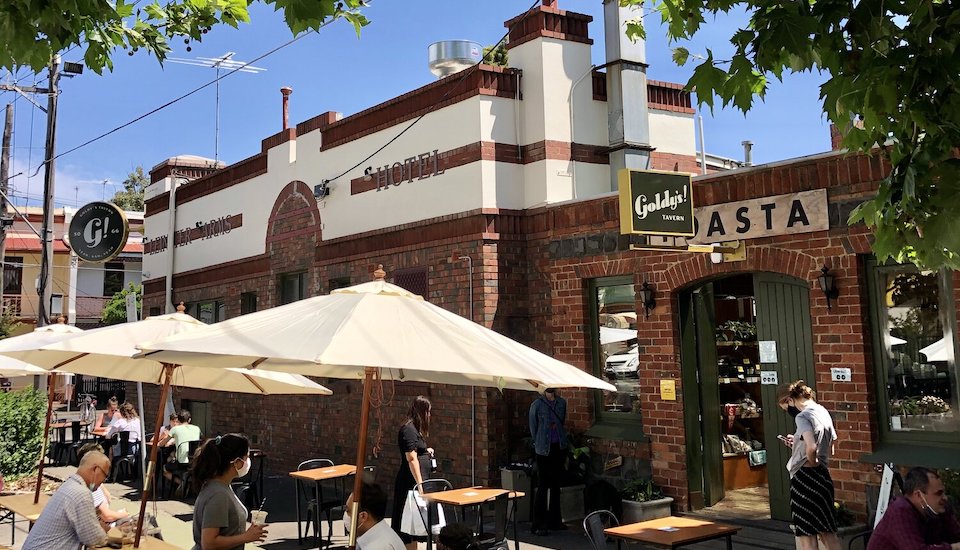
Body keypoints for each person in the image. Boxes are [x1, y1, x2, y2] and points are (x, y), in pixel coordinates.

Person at [778, 380, 840, 550]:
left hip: (804, 477)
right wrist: (798, 443)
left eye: (786, 408)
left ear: (789, 400)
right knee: (827, 532)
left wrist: (813, 461)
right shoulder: (822, 411)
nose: (789, 412)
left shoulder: (802, 416)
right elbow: (830, 445)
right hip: (823, 478)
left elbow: (812, 447)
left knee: (806, 534)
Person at [21, 450, 111, 550]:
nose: (104, 481)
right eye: (105, 476)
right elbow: (95, 539)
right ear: (96, 469)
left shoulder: (69, 485)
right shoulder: (82, 493)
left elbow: (87, 530)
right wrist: (103, 530)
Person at [190, 433, 267, 550]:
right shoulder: (218, 494)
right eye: (246, 457)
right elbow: (209, 543)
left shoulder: (220, 486)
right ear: (236, 462)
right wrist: (246, 537)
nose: (248, 462)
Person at [867, 467, 960, 550]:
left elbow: (956, 534)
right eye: (939, 493)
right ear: (919, 495)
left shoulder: (939, 508)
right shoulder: (900, 511)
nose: (945, 498)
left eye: (944, 492)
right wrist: (953, 547)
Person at [392, 395, 434, 550]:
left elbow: (417, 451)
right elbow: (411, 458)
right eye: (428, 412)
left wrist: (426, 451)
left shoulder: (415, 430)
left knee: (414, 527)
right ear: (422, 412)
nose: (429, 416)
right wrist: (420, 485)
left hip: (415, 484)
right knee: (407, 526)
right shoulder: (408, 429)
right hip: (410, 485)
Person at [528, 387, 568, 536]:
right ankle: (539, 523)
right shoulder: (537, 405)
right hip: (543, 449)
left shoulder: (561, 403)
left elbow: (561, 421)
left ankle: (555, 521)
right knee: (543, 485)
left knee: (556, 485)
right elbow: (533, 427)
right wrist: (539, 441)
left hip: (559, 446)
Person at [76, 442, 130, 525]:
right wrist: (123, 514)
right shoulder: (91, 487)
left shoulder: (81, 481)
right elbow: (107, 516)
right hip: (104, 528)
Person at [344, 483, 406, 550]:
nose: (345, 515)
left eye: (348, 511)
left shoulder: (380, 546)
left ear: (363, 516)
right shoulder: (378, 534)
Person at [159, 408, 202, 485]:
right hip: (194, 462)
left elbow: (162, 444)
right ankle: (186, 483)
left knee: (165, 469)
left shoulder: (175, 429)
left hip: (181, 463)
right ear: (189, 420)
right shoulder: (197, 429)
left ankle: (182, 483)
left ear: (178, 420)